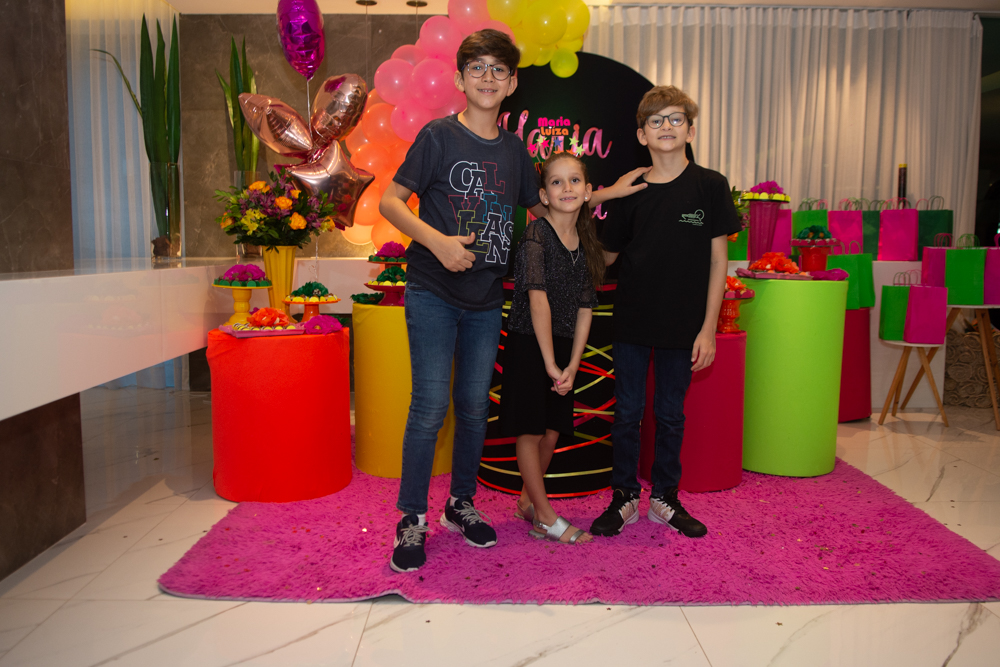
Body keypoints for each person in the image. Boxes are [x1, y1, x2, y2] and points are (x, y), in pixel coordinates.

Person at [381, 29, 649, 573]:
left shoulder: (513, 150)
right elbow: (391, 201)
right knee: (430, 408)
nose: (487, 77)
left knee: (475, 409)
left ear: (512, 83)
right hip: (433, 292)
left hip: (485, 302)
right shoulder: (437, 137)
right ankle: (412, 516)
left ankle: (460, 504)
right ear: (460, 79)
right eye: (477, 68)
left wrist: (605, 193)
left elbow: (552, 205)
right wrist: (437, 241)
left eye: (498, 69)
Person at [589, 85, 741, 539]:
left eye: (676, 119)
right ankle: (623, 497)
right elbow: (607, 257)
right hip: (632, 321)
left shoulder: (710, 185)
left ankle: (665, 498)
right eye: (656, 121)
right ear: (642, 135)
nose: (666, 127)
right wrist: (598, 198)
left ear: (690, 130)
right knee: (627, 414)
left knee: (672, 415)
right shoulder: (630, 191)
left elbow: (719, 262)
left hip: (685, 325)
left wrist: (708, 329)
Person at [500, 153, 604, 545]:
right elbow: (537, 299)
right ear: (544, 195)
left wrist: (572, 364)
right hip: (530, 344)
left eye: (574, 180)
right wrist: (549, 362)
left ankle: (528, 501)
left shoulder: (586, 242)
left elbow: (585, 308)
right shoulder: (536, 236)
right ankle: (544, 516)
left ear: (587, 191)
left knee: (552, 430)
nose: (566, 188)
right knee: (529, 430)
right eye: (556, 182)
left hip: (562, 347)